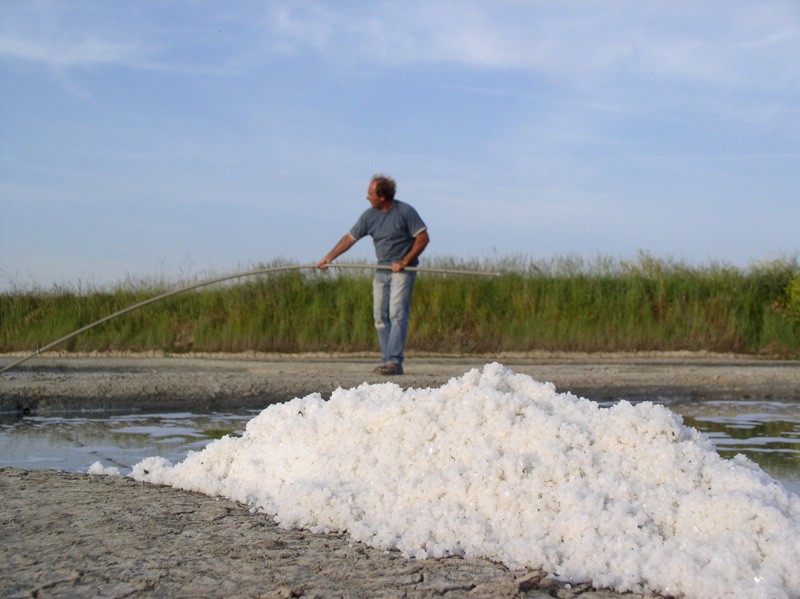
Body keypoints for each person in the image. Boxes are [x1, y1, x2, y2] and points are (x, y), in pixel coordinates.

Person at [318, 175, 429, 375]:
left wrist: (404, 261)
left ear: (383, 196)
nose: (367, 197)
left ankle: (394, 362)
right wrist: (329, 257)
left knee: (397, 313)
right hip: (382, 270)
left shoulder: (405, 211)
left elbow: (422, 238)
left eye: (370, 194)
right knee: (380, 316)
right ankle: (386, 360)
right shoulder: (369, 216)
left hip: (403, 271)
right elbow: (350, 238)